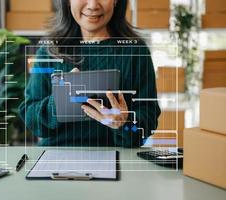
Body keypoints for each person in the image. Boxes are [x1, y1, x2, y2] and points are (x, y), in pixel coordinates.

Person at [19, 0, 161, 147]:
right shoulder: (49, 51)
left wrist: (124, 123)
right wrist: (58, 104)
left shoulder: (135, 52)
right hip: (56, 156)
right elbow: (30, 117)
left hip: (117, 156)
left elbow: (149, 117)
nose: (93, 5)